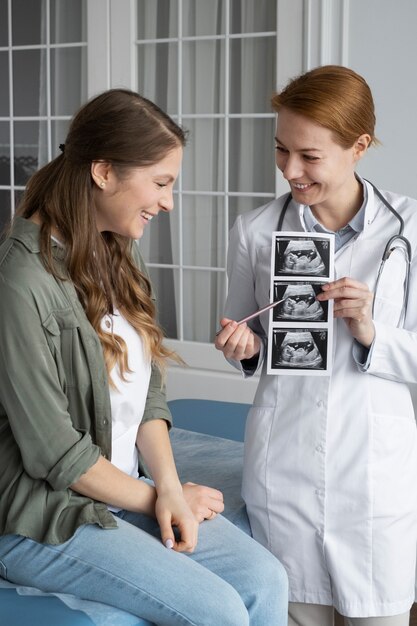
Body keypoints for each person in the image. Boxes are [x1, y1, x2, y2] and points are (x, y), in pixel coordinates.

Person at [0, 88, 289, 626]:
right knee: (218, 611)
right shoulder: (19, 282)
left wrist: (170, 488)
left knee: (267, 580)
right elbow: (52, 452)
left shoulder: (115, 246)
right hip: (44, 517)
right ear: (104, 172)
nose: (168, 202)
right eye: (161, 183)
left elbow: (149, 390)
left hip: (121, 490)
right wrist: (152, 498)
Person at [215, 65, 417, 626]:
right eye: (282, 151)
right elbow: (245, 336)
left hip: (375, 474)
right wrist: (240, 346)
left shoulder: (410, 230)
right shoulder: (254, 231)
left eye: (310, 156)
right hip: (285, 471)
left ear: (359, 146)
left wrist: (374, 332)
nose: (291, 171)